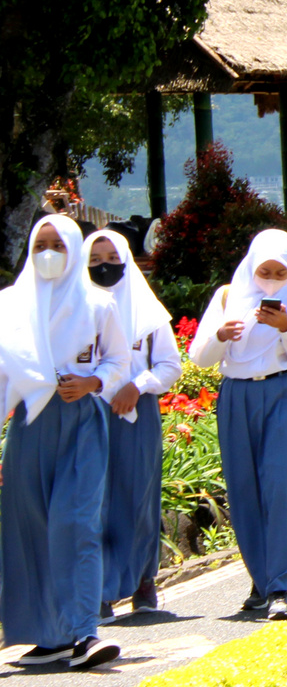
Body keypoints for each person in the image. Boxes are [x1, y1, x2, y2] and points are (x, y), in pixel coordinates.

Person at [0, 216, 129, 668]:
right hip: (29, 424)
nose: (49, 252)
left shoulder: (99, 303)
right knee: (30, 526)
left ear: (74, 248)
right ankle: (48, 633)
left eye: (58, 243)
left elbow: (118, 359)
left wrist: (93, 382)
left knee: (76, 522)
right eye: (42, 243)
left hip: (81, 421)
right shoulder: (10, 305)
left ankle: (84, 632)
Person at [189, 229, 287, 621]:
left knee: (281, 484)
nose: (270, 280)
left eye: (279, 273)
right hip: (237, 396)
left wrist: (286, 328)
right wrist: (220, 334)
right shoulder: (228, 297)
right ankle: (260, 579)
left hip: (285, 394)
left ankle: (280, 586)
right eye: (263, 271)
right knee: (244, 489)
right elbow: (199, 357)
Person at [87, 228, 179, 623]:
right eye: (94, 261)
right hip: (89, 416)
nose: (103, 266)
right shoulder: (77, 311)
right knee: (94, 502)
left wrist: (137, 387)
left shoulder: (149, 313)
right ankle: (102, 589)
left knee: (137, 498)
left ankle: (143, 579)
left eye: (110, 257)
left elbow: (169, 366)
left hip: (135, 416)